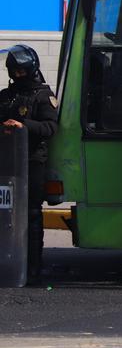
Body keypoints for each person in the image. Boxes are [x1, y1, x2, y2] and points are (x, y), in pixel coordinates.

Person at [0, 45, 58, 284]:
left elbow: (50, 128)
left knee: (32, 213)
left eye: (21, 71)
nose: (17, 76)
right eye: (14, 71)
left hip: (33, 160)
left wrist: (23, 125)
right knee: (5, 213)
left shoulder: (43, 96)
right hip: (6, 162)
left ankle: (33, 264)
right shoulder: (5, 96)